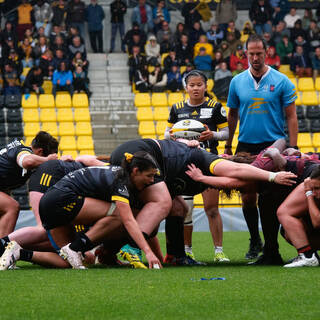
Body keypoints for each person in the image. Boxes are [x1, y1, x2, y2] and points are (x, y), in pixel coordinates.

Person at [110, 138, 297, 266]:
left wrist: (202, 179)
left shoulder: (201, 174)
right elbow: (237, 171)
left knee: (178, 208)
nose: (240, 190)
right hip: (138, 154)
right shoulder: (207, 159)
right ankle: (132, 247)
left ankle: (175, 256)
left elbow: (230, 180)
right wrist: (273, 176)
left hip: (137, 155)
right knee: (163, 202)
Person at [0, 152, 162, 270]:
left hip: (51, 202)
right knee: (121, 215)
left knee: (66, 261)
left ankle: (19, 253)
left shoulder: (117, 171)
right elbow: (127, 220)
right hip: (61, 199)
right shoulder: (121, 182)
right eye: (149, 176)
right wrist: (148, 252)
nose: (152, 181)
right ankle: (75, 248)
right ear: (135, 171)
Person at [225, 34, 298, 263]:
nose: (255, 58)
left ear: (267, 53)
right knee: (247, 196)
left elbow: (291, 115)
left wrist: (293, 146)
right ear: (245, 54)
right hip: (245, 145)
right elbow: (232, 114)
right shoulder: (236, 81)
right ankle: (255, 239)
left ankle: (271, 246)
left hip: (273, 144)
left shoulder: (282, 80)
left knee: (269, 195)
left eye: (259, 53)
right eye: (251, 54)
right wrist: (228, 144)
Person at [165, 69, 230, 262]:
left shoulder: (215, 106)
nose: (195, 88)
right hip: (183, 164)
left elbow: (226, 132)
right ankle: (187, 250)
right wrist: (176, 136)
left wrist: (213, 135)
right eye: (192, 85)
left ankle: (219, 251)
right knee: (185, 210)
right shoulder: (177, 108)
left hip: (209, 162)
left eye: (199, 85)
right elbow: (167, 134)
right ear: (186, 88)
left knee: (211, 208)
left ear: (206, 86)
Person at [0, 131, 58, 238]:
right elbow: (27, 162)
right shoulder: (24, 150)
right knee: (12, 207)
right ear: (40, 152)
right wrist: (47, 160)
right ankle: (2, 249)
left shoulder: (15, 150)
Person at [277, 166, 320, 267]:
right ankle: (308, 255)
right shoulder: (308, 184)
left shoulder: (309, 192)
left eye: (317, 188)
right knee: (288, 232)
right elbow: (283, 213)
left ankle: (308, 257)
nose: (314, 193)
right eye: (312, 188)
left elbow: (317, 222)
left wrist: (308, 194)